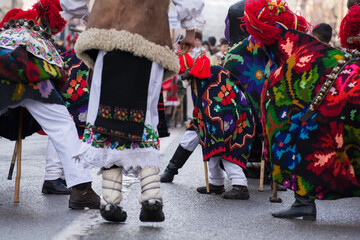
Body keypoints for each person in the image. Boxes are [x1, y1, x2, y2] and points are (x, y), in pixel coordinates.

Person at [60, 0, 205, 223]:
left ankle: (110, 199)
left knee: (105, 115)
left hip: (105, 33)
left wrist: (83, 14)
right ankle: (151, 196)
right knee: (144, 116)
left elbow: (72, 2)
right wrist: (189, 28)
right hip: (149, 35)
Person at [244, 0, 360, 220]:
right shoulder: (302, 46)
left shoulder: (296, 54)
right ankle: (302, 200)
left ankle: (303, 201)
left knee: (298, 129)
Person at [0, 0, 100, 209]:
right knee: (62, 124)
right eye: (55, 28)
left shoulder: (8, 30)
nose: (55, 32)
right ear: (49, 20)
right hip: (33, 77)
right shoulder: (38, 36)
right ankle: (81, 189)